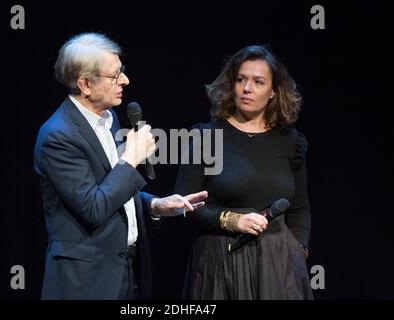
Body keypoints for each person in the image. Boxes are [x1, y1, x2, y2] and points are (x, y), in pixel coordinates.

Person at [34, 32, 207, 300]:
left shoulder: (108, 118)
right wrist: (131, 158)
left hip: (126, 273)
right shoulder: (58, 136)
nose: (125, 80)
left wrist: (154, 205)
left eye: (121, 71)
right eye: (115, 76)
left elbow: (110, 187)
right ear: (85, 84)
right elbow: (93, 207)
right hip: (85, 282)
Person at [175, 45, 313, 299]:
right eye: (241, 80)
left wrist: (298, 250)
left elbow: (300, 207)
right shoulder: (206, 137)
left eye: (258, 82)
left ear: (273, 91)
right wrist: (232, 220)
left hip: (278, 265)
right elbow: (184, 203)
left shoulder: (291, 142)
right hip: (220, 262)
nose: (247, 89)